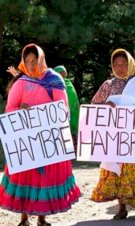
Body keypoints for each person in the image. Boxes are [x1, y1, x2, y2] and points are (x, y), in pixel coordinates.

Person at [0, 43, 81, 226]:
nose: (30, 64)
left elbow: (63, 110)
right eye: (27, 61)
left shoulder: (54, 80)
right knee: (25, 177)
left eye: (34, 60)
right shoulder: (20, 82)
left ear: (41, 60)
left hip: (47, 141)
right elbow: (10, 108)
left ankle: (42, 219)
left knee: (43, 179)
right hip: (26, 141)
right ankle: (23, 218)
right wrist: (19, 110)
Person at [90, 49, 135, 222]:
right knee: (118, 173)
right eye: (116, 64)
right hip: (117, 138)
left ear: (131, 64)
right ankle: (121, 208)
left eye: (123, 64)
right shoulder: (108, 85)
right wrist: (107, 106)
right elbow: (94, 106)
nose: (120, 67)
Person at [53, 66, 80, 146]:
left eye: (64, 72)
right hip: (61, 112)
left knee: (72, 132)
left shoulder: (68, 82)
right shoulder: (55, 84)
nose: (63, 73)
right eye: (61, 72)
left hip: (73, 111)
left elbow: (73, 97)